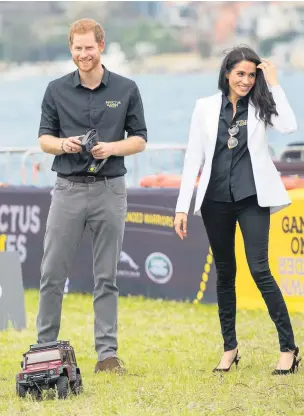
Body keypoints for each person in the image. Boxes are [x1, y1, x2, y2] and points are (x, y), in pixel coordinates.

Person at [174, 46, 300, 375]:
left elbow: (289, 126)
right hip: (215, 200)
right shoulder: (204, 108)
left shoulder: (262, 104)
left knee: (260, 270)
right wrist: (182, 207)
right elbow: (193, 159)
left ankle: (289, 348)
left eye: (251, 74)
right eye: (240, 74)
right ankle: (230, 348)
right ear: (227, 73)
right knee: (225, 274)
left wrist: (273, 83)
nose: (245, 80)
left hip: (252, 197)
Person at [36, 18, 147, 373]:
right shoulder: (55, 90)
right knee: (52, 273)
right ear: (71, 49)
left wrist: (112, 148)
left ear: (101, 46)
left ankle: (107, 356)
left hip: (109, 190)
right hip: (67, 189)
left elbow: (140, 139)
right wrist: (63, 144)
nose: (83, 54)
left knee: (106, 277)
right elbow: (44, 139)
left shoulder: (127, 88)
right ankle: (44, 349)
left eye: (89, 47)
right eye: (77, 47)